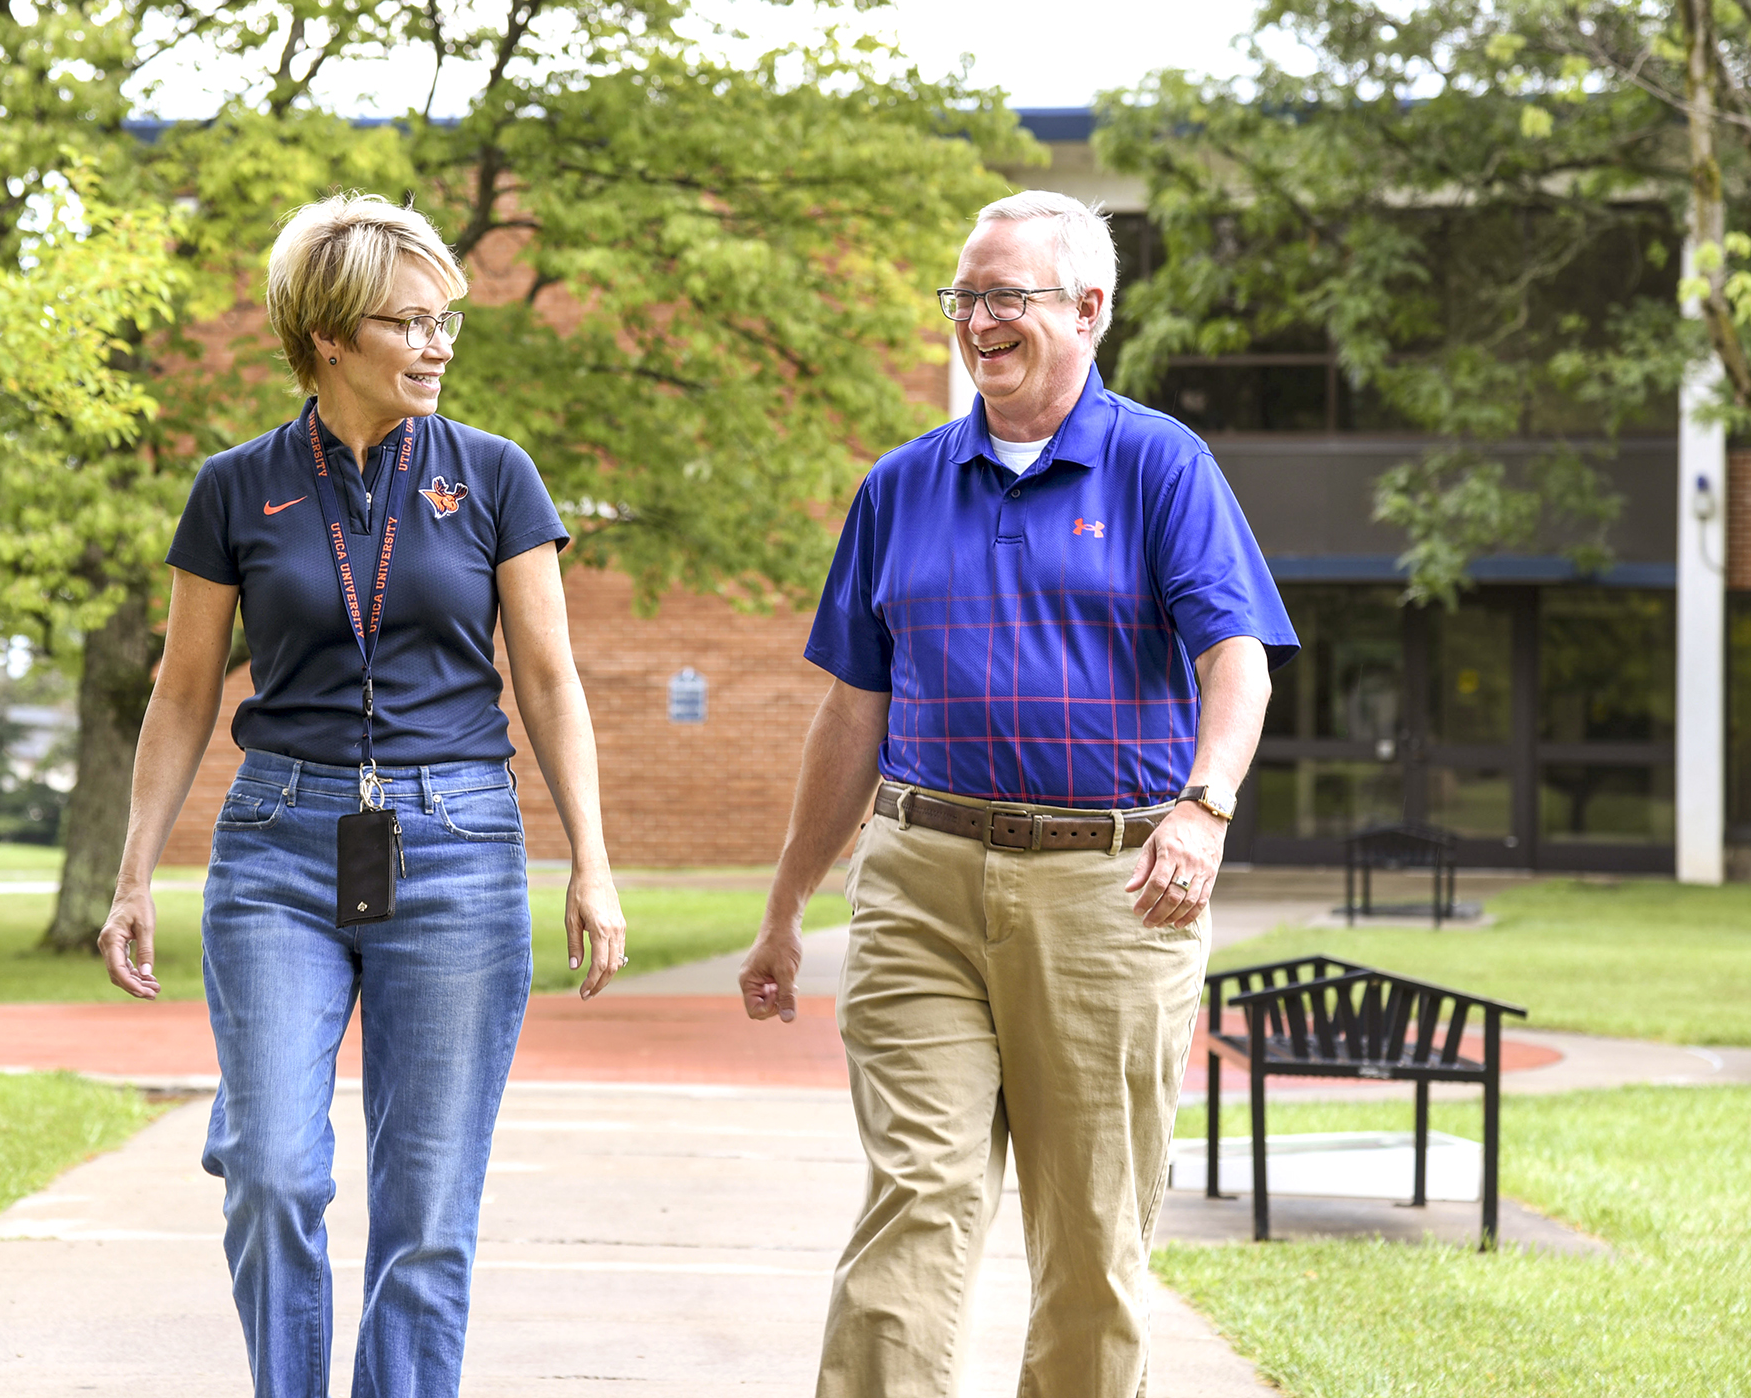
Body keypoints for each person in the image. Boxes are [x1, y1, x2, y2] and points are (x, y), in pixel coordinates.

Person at [737, 190, 1296, 1398]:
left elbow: (1235, 657)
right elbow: (851, 711)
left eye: (1008, 296)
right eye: (964, 296)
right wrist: (786, 904)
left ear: (1089, 309)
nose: (979, 319)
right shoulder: (900, 485)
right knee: (918, 1200)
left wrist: (1203, 807)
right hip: (918, 878)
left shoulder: (1159, 464)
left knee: (1091, 1238)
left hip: (1109, 891)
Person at [98, 192, 627, 1398]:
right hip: (280, 841)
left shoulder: (495, 476)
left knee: (428, 1209)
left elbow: (547, 677)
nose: (438, 345)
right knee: (276, 1170)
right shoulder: (235, 488)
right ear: (330, 333)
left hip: (457, 841)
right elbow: (182, 693)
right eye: (412, 321)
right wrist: (135, 871)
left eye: (448, 322)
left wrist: (591, 860)